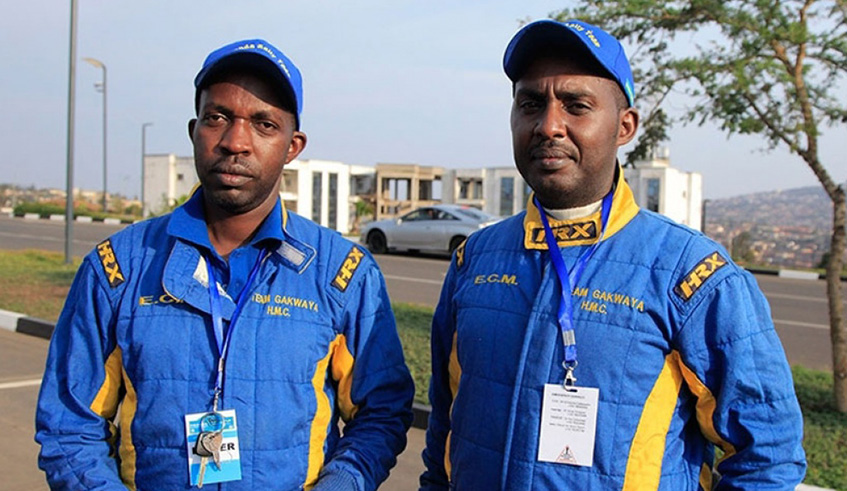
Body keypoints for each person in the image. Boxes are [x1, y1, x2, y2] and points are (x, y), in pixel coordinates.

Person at [420, 19, 806, 490]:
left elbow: (767, 456)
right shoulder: (474, 261)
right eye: (530, 104)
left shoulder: (693, 276)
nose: (548, 126)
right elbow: (444, 430)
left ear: (625, 126)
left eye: (577, 106)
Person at [36, 38, 414, 490]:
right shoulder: (118, 267)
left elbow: (381, 412)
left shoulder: (342, 274)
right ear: (194, 130)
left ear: (293, 146)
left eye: (263, 124)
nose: (236, 141)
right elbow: (68, 425)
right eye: (218, 118)